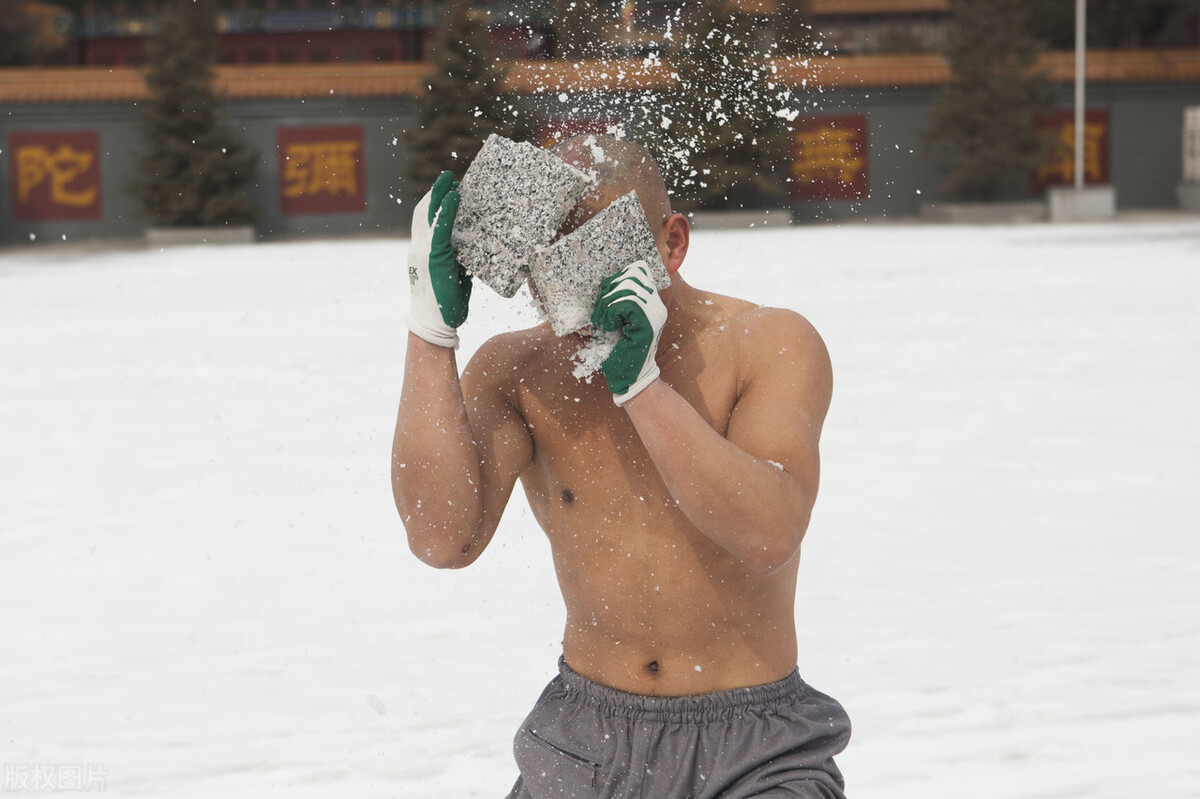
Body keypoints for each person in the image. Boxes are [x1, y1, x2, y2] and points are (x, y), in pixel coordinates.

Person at [392, 134, 851, 798]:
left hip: (754, 745)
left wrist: (643, 388)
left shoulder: (768, 344)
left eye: (595, 259)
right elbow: (441, 536)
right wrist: (429, 330)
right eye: (547, 267)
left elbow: (769, 533)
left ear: (672, 243)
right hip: (584, 739)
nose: (567, 293)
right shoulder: (516, 369)